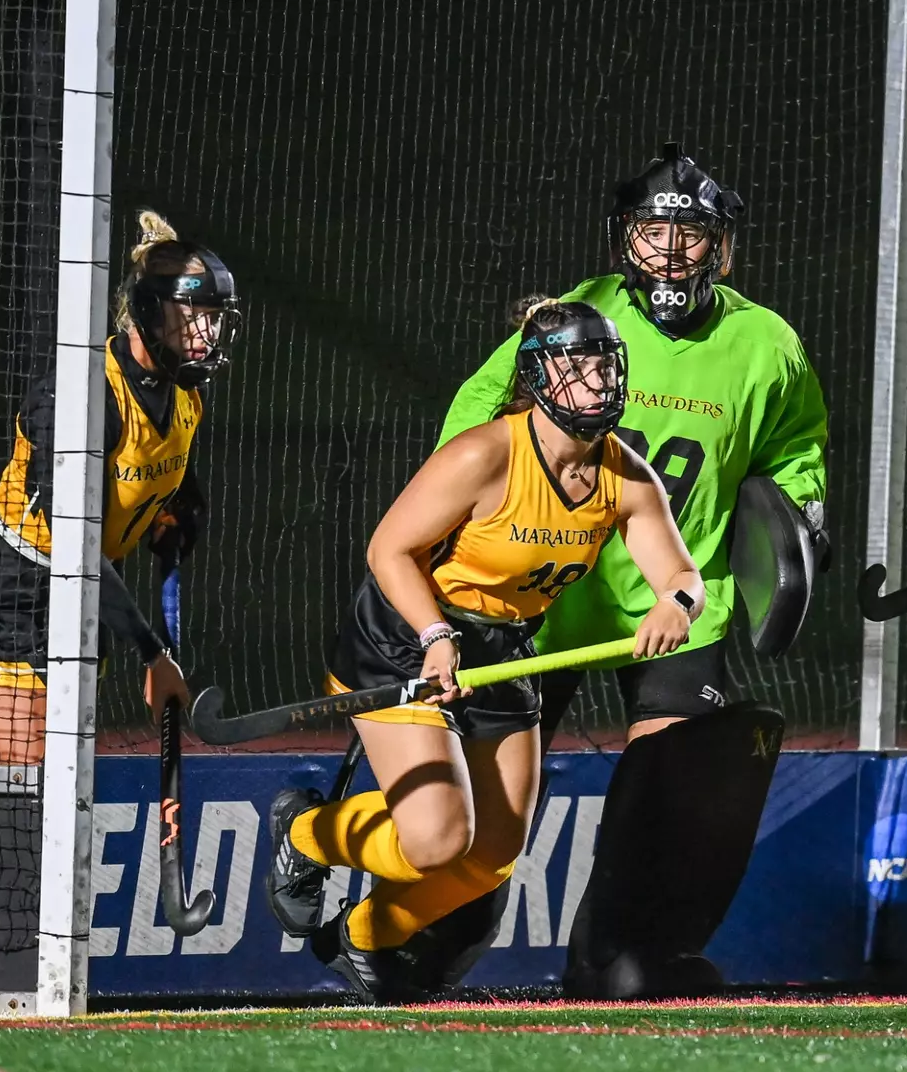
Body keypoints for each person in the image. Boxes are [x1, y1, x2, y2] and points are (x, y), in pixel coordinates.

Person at [427, 143, 829, 997]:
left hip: (679, 597)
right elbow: (478, 409)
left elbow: (796, 449)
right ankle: (425, 940)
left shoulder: (768, 345)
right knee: (490, 792)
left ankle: (622, 957)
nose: (672, 251)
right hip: (545, 592)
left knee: (676, 786)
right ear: (625, 238)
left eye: (691, 234)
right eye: (654, 231)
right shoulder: (581, 314)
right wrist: (454, 508)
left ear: (721, 246)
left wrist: (804, 511)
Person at [265, 300, 704, 1003]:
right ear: (539, 377)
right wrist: (435, 636)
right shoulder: (485, 454)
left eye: (605, 364)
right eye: (579, 366)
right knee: (437, 839)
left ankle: (366, 938)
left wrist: (675, 604)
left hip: (504, 649)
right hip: (406, 636)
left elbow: (682, 576)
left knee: (494, 854)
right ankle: (308, 833)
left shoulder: (625, 475)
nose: (598, 379)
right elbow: (389, 549)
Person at [0, 210, 236, 764]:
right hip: (3, 590)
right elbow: (75, 545)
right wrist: (153, 654)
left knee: (72, 769)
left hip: (83, 593)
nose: (206, 335)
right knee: (36, 773)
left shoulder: (185, 393)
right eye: (193, 317)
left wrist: (179, 513)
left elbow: (166, 474)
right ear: (148, 312)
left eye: (214, 318)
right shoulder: (81, 398)